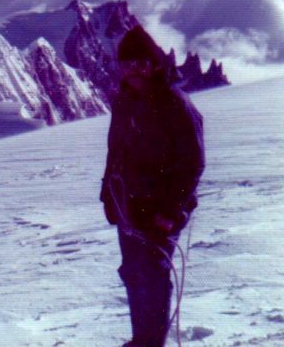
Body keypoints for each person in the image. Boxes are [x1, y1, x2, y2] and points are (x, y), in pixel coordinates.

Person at [100, 25, 205, 347]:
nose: (133, 73)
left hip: (160, 204)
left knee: (153, 272)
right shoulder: (125, 101)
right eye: (126, 66)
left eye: (140, 64)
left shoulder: (176, 105)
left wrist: (170, 211)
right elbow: (115, 148)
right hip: (128, 202)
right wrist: (108, 193)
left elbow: (192, 163)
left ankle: (151, 342)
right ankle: (141, 338)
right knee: (133, 271)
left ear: (155, 64)